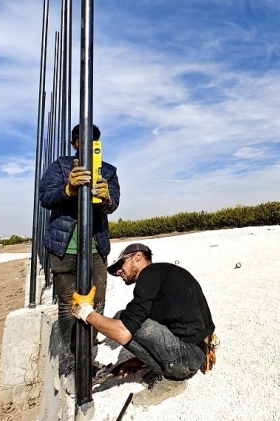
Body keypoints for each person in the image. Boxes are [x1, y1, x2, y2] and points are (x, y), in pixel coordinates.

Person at [71, 243, 218, 406]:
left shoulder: (149, 274)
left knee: (123, 319)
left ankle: (173, 379)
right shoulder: (166, 275)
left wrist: (85, 312)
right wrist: (140, 360)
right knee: (133, 319)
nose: (118, 271)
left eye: (121, 264)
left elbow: (123, 333)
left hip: (186, 359)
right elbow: (175, 326)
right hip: (198, 353)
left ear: (138, 257)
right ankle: (172, 368)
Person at [38, 124, 120, 383]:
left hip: (95, 248)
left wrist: (107, 198)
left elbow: (113, 205)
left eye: (94, 140)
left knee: (96, 306)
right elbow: (45, 197)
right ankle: (71, 368)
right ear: (74, 143)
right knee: (68, 308)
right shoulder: (60, 167)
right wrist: (68, 189)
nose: (88, 144)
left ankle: (89, 363)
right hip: (65, 248)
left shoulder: (108, 171)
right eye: (83, 140)